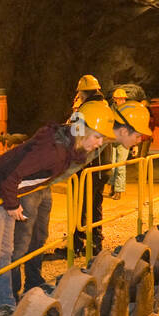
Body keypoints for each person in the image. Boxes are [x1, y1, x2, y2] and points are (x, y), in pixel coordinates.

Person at [0, 100, 118, 310]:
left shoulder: (68, 147)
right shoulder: (55, 151)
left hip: (5, 190)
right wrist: (13, 205)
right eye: (97, 137)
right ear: (83, 130)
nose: (99, 144)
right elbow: (12, 176)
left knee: (5, 251)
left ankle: (4, 302)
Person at [70, 76, 108, 258]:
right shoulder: (105, 107)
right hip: (103, 164)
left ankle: (76, 245)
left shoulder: (85, 110)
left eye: (79, 92)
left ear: (84, 93)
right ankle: (95, 244)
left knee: (80, 205)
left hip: (88, 164)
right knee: (95, 204)